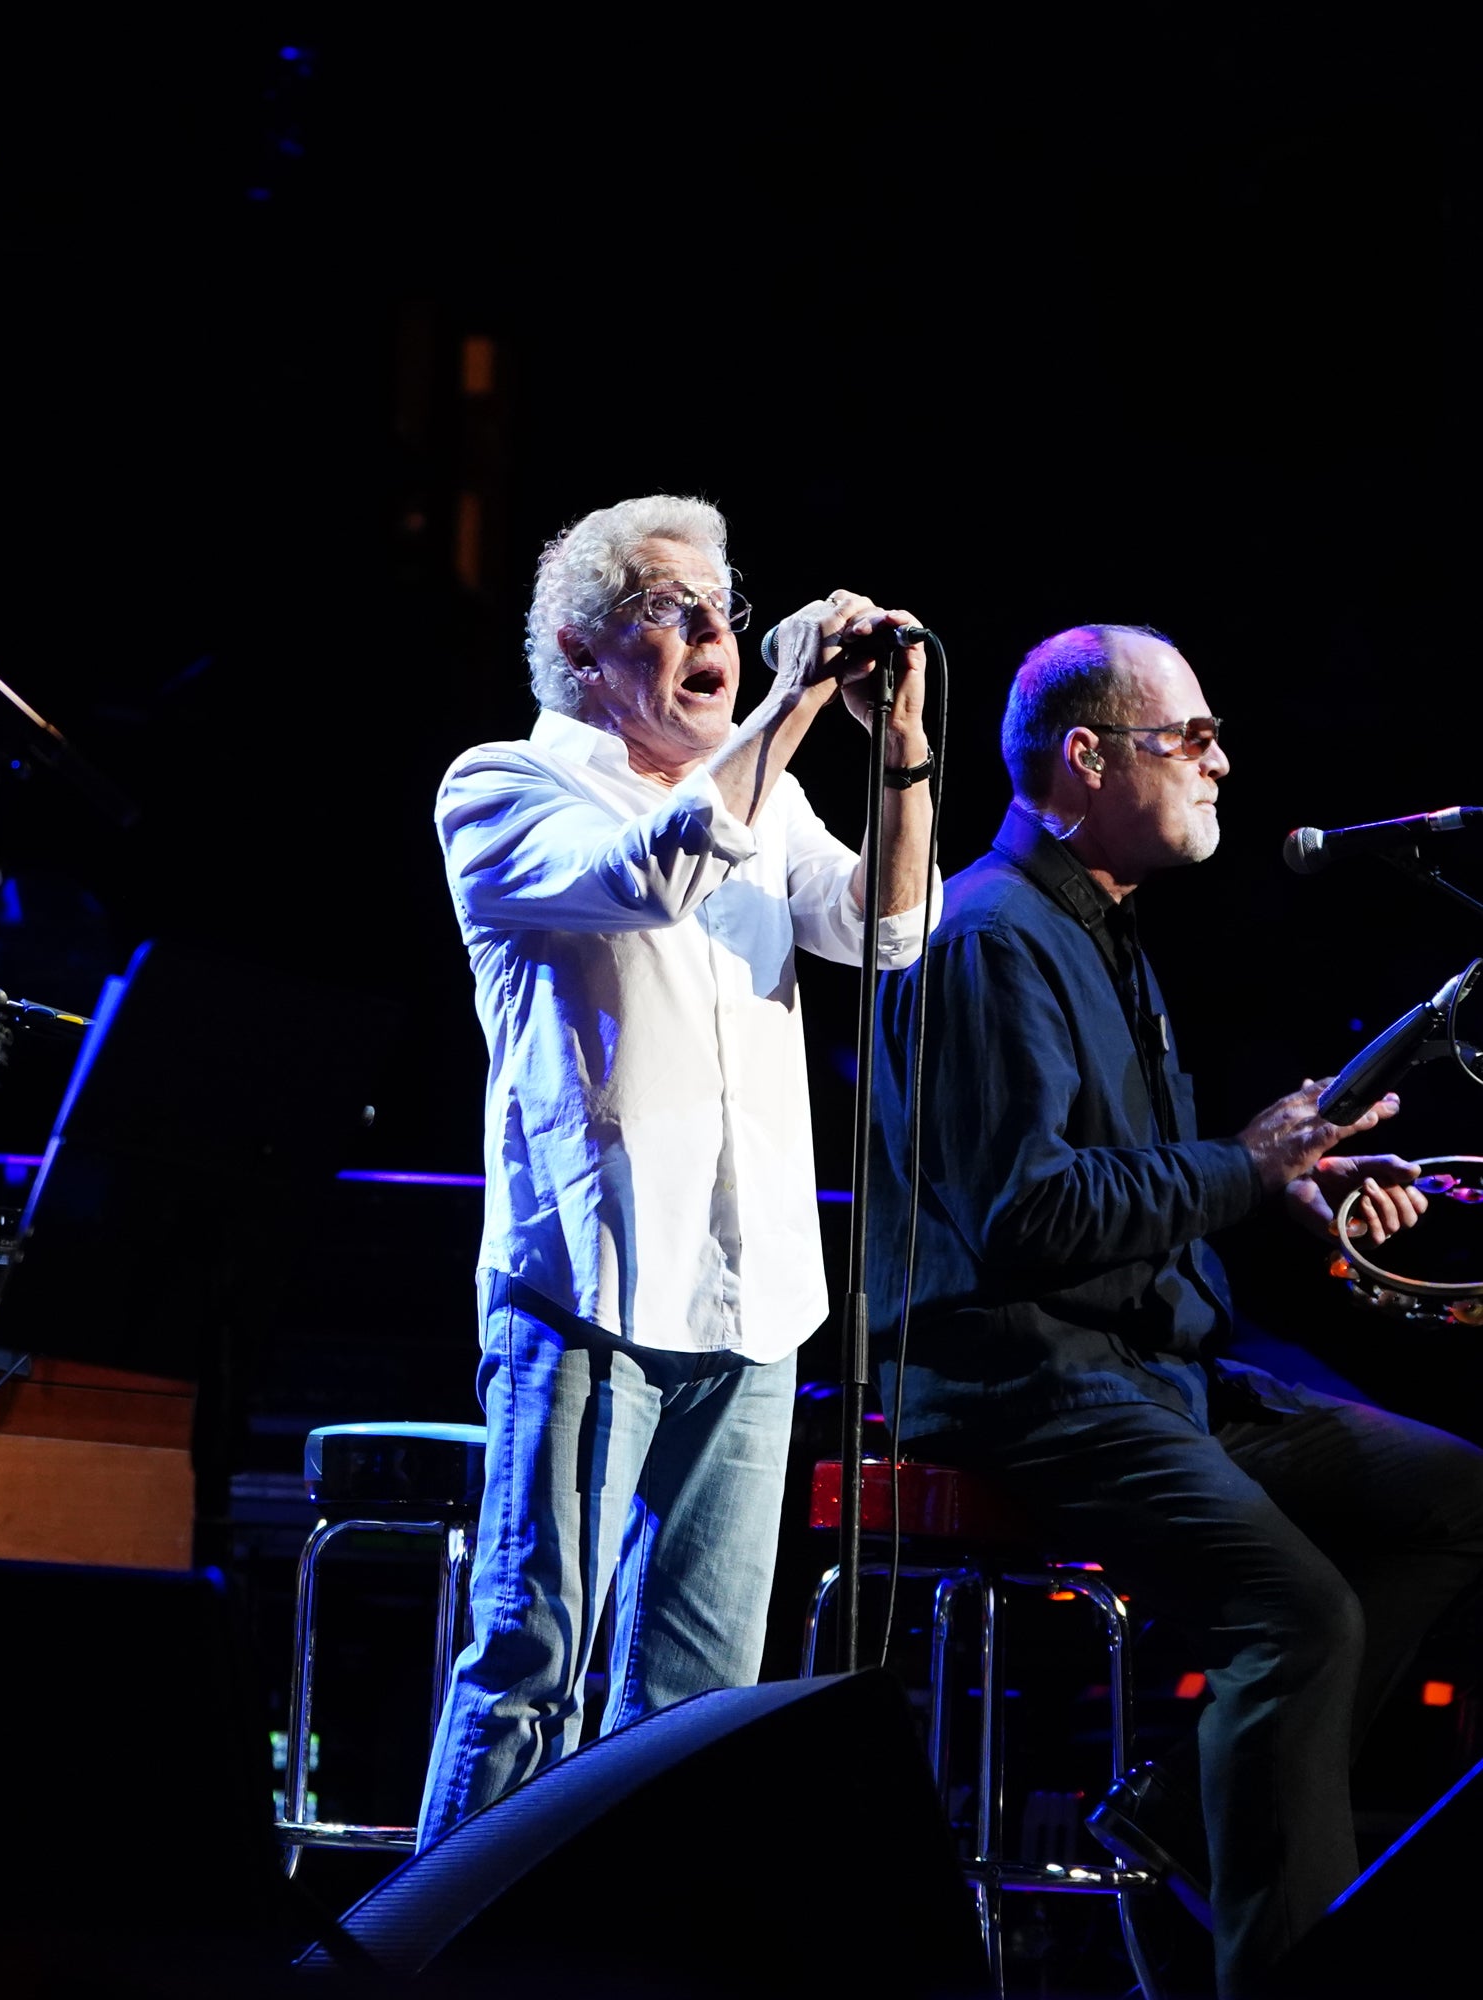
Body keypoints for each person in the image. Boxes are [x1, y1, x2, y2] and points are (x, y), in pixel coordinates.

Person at [862, 623, 1483, 1993]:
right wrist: (1240, 1164)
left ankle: (1198, 1796)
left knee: (1457, 1495)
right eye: (1184, 737)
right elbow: (1030, 1215)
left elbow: (1136, 1180)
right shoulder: (990, 938)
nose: (1220, 760)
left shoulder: (1103, 926)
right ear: (1081, 762)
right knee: (1297, 1619)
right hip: (1029, 1382)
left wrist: (1287, 1183)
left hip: (1154, 1363)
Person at [416, 494, 937, 1842]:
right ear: (582, 650)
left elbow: (881, 931)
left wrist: (906, 754)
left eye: (723, 604)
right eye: (671, 609)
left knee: (704, 1696)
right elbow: (658, 874)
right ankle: (431, 1963)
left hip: (756, 1302)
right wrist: (790, 708)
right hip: (592, 1292)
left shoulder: (773, 787)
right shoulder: (500, 787)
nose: (716, 630)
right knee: (532, 1669)